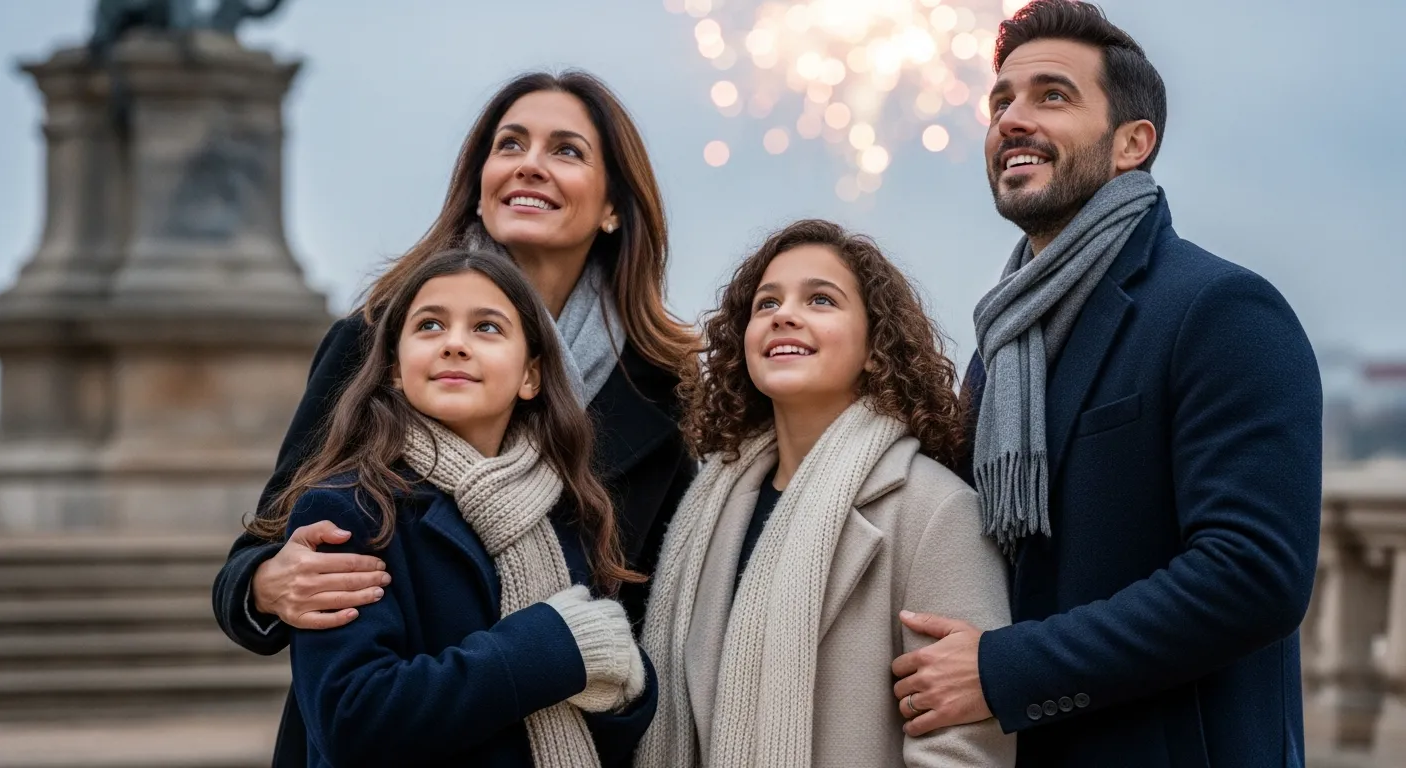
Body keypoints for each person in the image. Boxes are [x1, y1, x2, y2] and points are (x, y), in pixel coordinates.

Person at [208, 70, 695, 765]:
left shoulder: (658, 389)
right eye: (510, 145)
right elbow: (264, 545)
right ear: (479, 182)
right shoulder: (378, 342)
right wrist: (262, 584)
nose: (530, 163)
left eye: (565, 150)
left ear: (614, 206)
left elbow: (652, 613)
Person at [890, 3, 1322, 766]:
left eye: (1052, 96)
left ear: (1132, 144)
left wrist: (1006, 671)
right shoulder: (1001, 347)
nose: (1012, 120)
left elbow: (1252, 576)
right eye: (1001, 102)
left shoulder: (1221, 310)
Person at [254, 248, 655, 767]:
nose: (455, 344)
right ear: (395, 369)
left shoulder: (572, 509)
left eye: (487, 328)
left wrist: (629, 691)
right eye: (430, 326)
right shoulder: (349, 510)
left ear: (531, 375)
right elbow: (351, 721)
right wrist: (550, 647)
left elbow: (603, 715)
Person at [636, 220, 1015, 767]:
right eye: (767, 303)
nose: (784, 315)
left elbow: (965, 746)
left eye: (821, 299)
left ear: (875, 348)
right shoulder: (705, 512)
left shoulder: (935, 510)